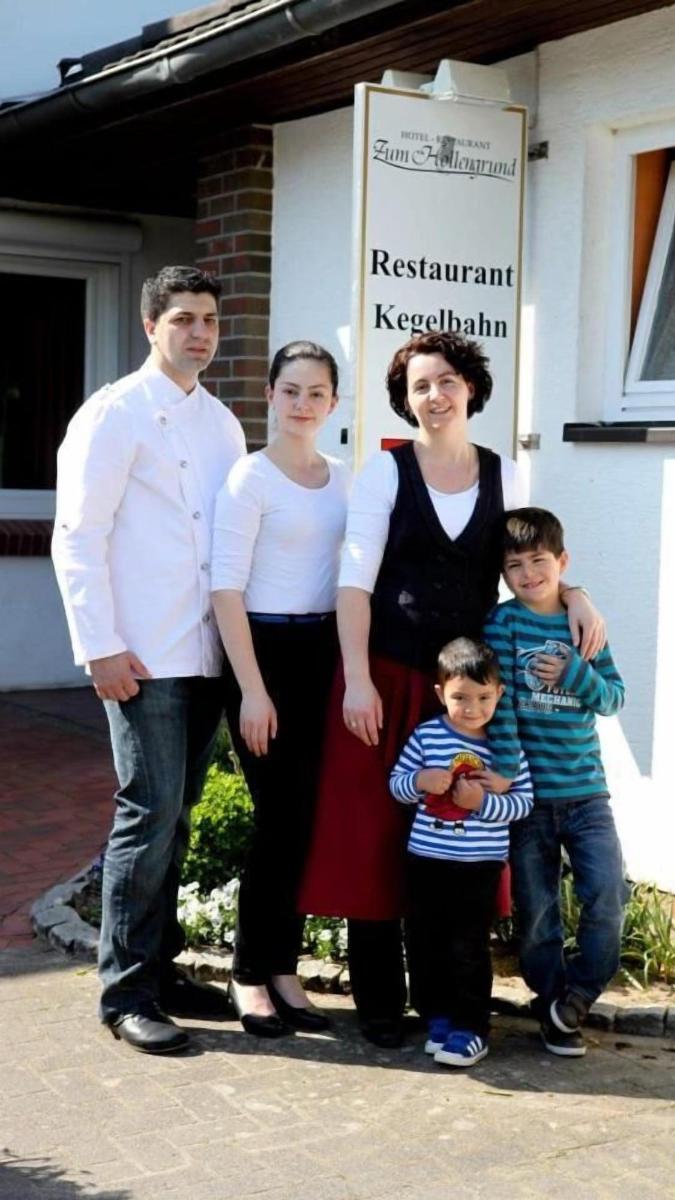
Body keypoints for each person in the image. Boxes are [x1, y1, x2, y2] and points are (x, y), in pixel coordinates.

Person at [299, 330, 606, 1048]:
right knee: (376, 837)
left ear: (470, 388)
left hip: (466, 698)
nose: (434, 396)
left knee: (457, 839)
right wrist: (355, 682)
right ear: (406, 402)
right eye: (419, 387)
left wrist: (577, 593)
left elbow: (529, 568)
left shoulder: (508, 476)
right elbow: (355, 584)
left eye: (445, 382)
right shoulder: (385, 474)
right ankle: (380, 1003)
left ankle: (448, 1001)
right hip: (384, 678)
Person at [52, 266, 246, 1054]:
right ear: (150, 326)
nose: (199, 333)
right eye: (183, 319)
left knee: (179, 817)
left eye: (209, 320)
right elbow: (78, 535)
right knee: (148, 813)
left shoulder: (223, 425)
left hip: (205, 654)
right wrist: (99, 646)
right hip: (140, 656)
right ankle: (125, 993)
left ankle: (160, 970)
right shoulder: (112, 414)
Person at [211, 341, 348, 1038]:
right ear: (270, 395)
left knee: (305, 820)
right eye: (291, 390)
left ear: (333, 403)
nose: (303, 403)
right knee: (276, 819)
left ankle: (283, 968)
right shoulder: (250, 478)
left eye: (316, 392)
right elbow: (225, 590)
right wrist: (253, 692)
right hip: (261, 654)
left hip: (324, 653)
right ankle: (247, 973)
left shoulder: (344, 479)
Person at [483, 507, 628, 1058]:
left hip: (587, 793)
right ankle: (552, 1007)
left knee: (608, 896)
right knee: (538, 913)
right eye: (514, 565)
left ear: (562, 561)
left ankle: (580, 995)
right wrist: (506, 767)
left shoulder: (583, 624)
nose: (528, 574)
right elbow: (502, 705)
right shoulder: (503, 625)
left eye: (538, 561)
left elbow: (613, 699)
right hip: (530, 799)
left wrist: (574, 672)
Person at [389, 637, 533, 1068]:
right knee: (425, 941)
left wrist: (482, 803)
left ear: (499, 694)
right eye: (461, 698)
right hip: (426, 860)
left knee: (468, 946)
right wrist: (419, 781)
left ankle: (471, 1028)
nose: (472, 708)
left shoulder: (506, 748)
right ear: (440, 694)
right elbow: (396, 785)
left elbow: (523, 803)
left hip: (478, 866)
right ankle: (438, 1017)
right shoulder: (427, 736)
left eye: (484, 697)